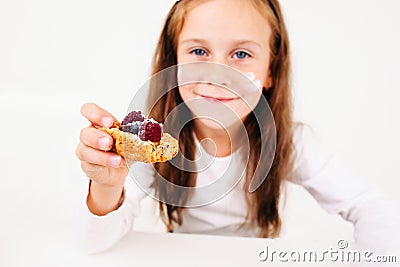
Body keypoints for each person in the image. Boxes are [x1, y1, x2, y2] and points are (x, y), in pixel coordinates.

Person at [75, 0, 400, 256]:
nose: (217, 74)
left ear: (270, 72)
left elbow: (371, 206)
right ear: (173, 64)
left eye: (241, 54)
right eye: (199, 51)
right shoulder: (158, 143)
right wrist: (107, 185)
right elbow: (95, 244)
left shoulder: (291, 144)